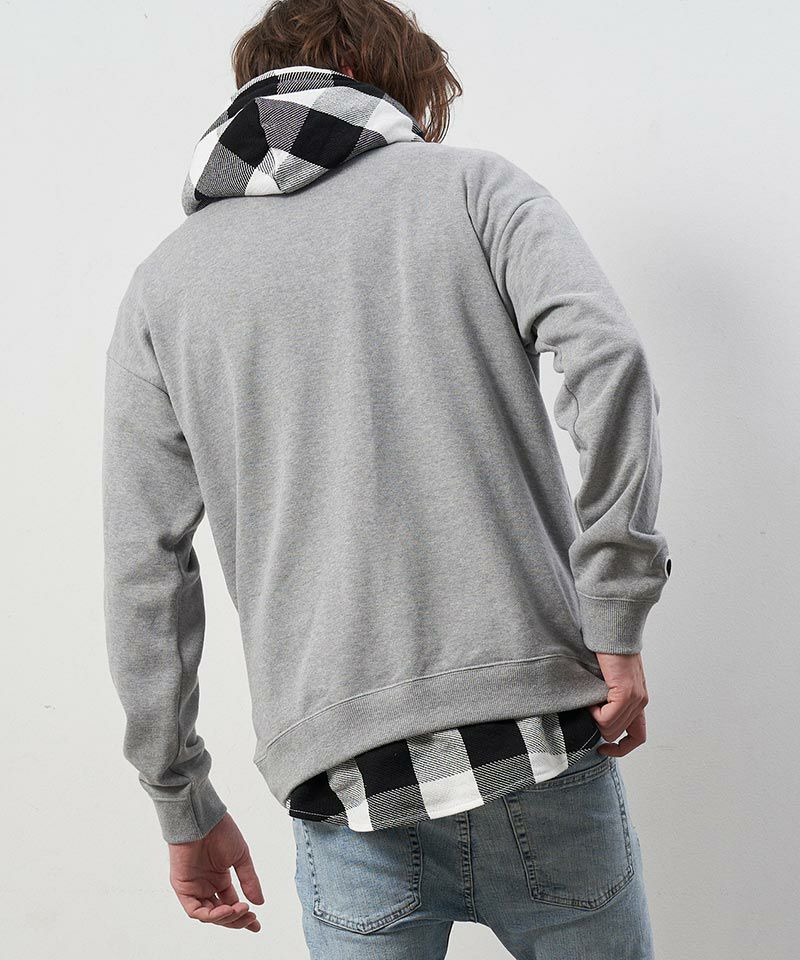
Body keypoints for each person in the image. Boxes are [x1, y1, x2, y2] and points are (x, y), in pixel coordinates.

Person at [101, 1, 672, 956]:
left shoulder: (164, 287)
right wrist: (614, 612)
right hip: (536, 732)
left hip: (342, 776)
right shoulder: (474, 188)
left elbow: (142, 566)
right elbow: (607, 357)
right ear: (391, 79)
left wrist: (181, 799)